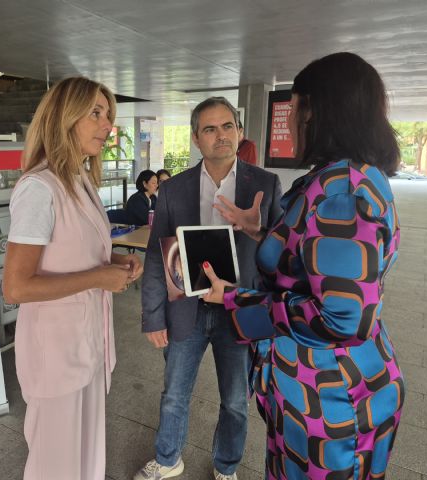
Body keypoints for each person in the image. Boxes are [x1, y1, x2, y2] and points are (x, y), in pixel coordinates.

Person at [202, 52, 405, 479]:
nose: (290, 121)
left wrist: (238, 300)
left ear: (316, 110)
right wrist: (263, 233)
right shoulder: (349, 176)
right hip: (318, 390)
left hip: (331, 400)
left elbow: (344, 316)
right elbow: (315, 259)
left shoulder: (342, 192)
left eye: (294, 108)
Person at [2, 76, 143, 480]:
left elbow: (75, 248)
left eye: (109, 114)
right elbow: (17, 286)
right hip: (57, 351)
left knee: (86, 454)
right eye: (96, 113)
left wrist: (115, 260)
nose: (107, 124)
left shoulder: (80, 180)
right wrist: (99, 277)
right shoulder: (39, 188)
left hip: (87, 342)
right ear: (65, 117)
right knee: (57, 464)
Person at [135, 96, 282, 480]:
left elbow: (285, 253)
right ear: (196, 138)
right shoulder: (173, 190)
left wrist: (260, 230)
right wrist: (153, 316)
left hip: (239, 308)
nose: (221, 136)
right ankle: (168, 459)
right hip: (188, 307)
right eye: (210, 129)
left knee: (235, 400)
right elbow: (156, 256)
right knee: (174, 395)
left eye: (228, 126)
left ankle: (226, 466)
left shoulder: (264, 185)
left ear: (239, 131)